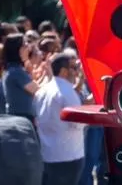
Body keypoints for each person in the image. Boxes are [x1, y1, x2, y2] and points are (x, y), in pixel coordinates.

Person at [35, 51, 86, 185]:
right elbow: (78, 122)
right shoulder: (67, 92)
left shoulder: (41, 91)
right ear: (63, 71)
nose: (76, 72)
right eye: (74, 68)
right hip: (68, 156)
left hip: (48, 155)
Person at [0, 33, 41, 120]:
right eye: (25, 45)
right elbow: (37, 90)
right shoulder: (16, 71)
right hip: (21, 118)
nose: (28, 48)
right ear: (18, 49)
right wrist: (49, 74)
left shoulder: (14, 69)